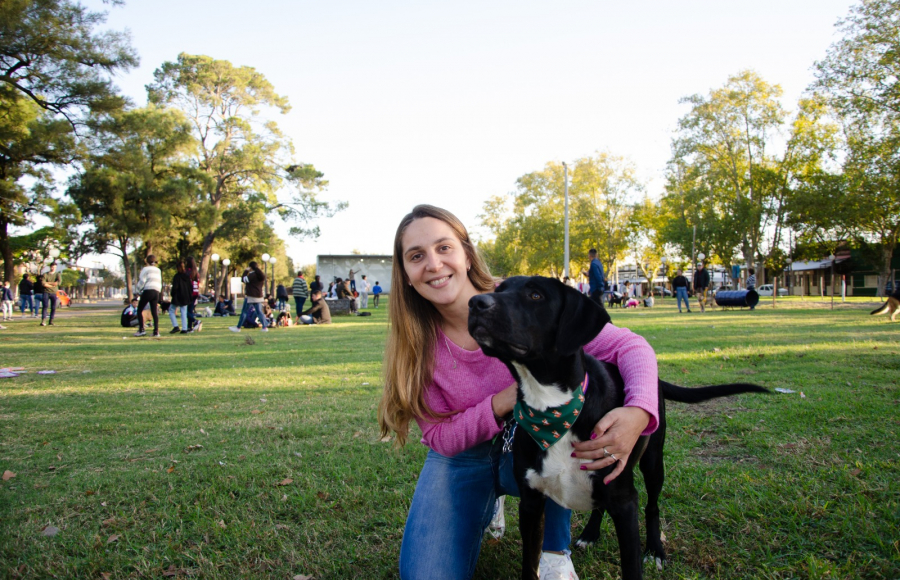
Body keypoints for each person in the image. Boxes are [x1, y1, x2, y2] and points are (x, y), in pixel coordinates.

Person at [377, 205, 659, 580]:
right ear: (406, 275)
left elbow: (631, 348)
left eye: (444, 248)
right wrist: (502, 402)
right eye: (416, 256)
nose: (433, 263)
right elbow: (440, 437)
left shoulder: (527, 301)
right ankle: (488, 501)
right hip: (464, 459)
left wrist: (639, 411)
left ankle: (554, 549)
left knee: (555, 426)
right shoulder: (415, 346)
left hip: (538, 440)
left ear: (465, 253)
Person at [229, 261, 268, 333]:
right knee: (259, 312)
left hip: (251, 296)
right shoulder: (260, 275)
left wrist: (246, 271)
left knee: (244, 311)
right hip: (259, 296)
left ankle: (238, 327)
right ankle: (265, 326)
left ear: (250, 267)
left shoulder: (252, 275)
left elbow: (243, 279)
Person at [134, 255, 162, 337]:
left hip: (148, 290)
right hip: (156, 291)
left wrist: (137, 290)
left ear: (147, 261)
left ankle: (141, 329)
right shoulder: (158, 270)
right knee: (154, 311)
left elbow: (142, 280)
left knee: (139, 310)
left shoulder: (145, 269)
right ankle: (156, 331)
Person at [169, 260, 193, 334]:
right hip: (185, 296)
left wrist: (172, 294)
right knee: (183, 312)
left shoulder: (177, 277)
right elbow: (190, 287)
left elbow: (175, 287)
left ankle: (176, 326)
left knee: (171, 310)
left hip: (177, 296)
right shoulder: (187, 276)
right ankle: (184, 328)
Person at [40, 262, 61, 327]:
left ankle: (51, 320)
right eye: (52, 267)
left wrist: (48, 283)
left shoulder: (57, 274)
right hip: (46, 292)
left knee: (53, 307)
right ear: (50, 267)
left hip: (53, 293)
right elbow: (43, 284)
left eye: (54, 267)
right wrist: (52, 284)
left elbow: (58, 283)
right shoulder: (45, 274)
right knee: (45, 306)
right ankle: (43, 320)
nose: (53, 268)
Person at [185, 257, 201, 332]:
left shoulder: (187, 272)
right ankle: (189, 327)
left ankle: (195, 321)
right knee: (190, 310)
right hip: (195, 292)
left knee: (185, 311)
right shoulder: (196, 273)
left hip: (189, 293)